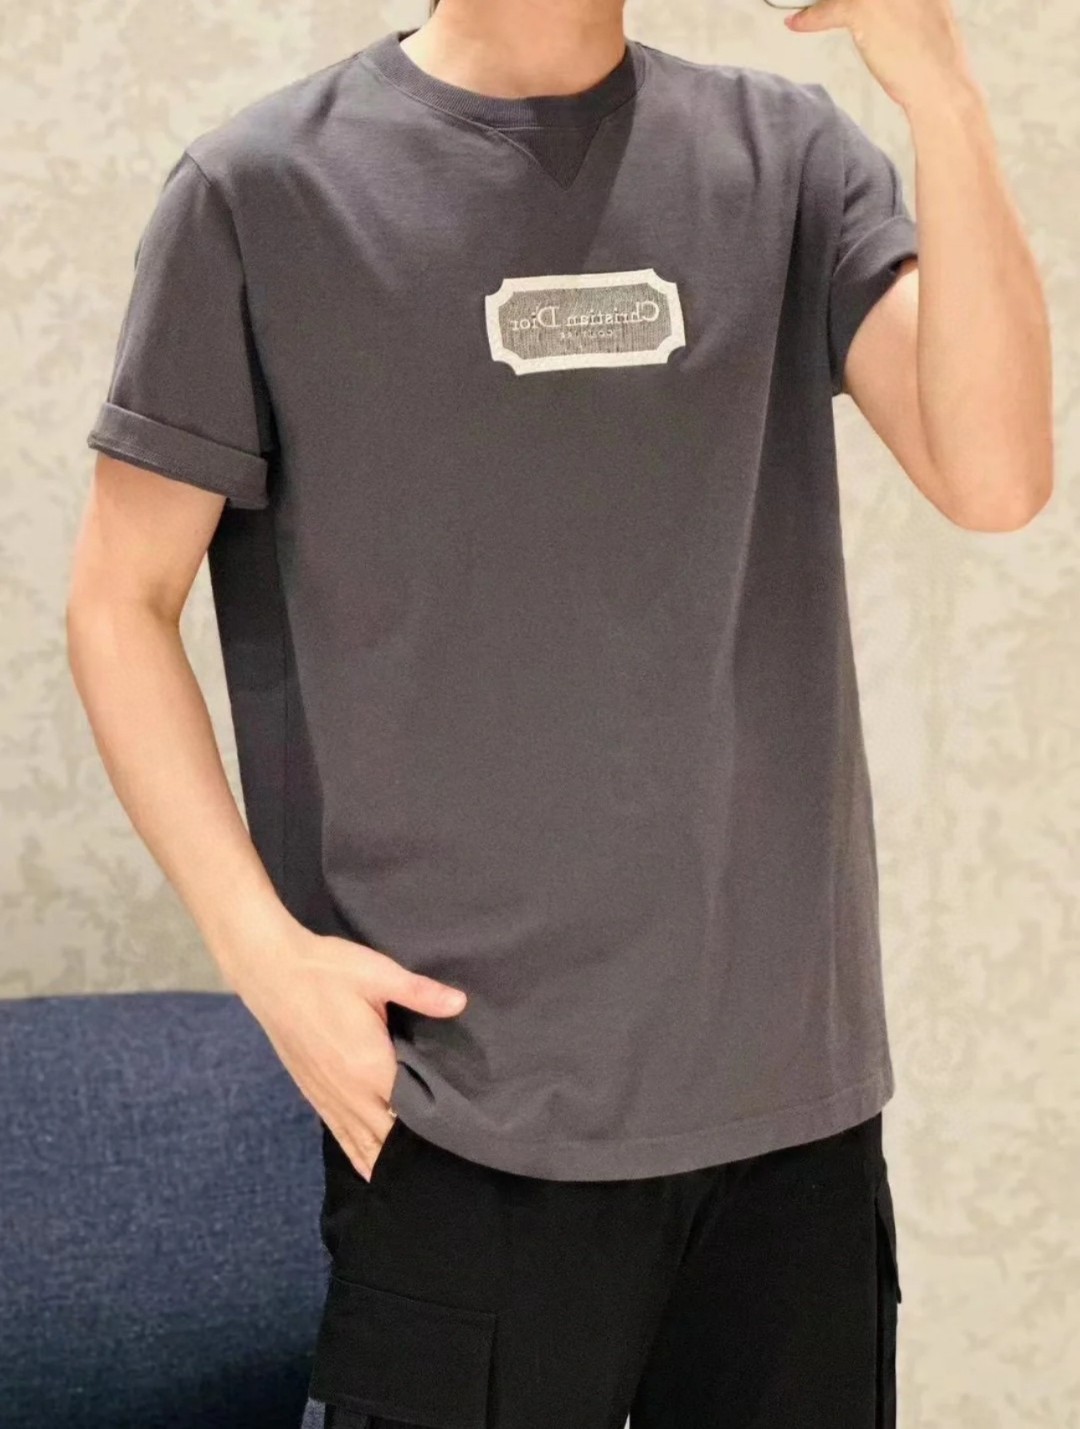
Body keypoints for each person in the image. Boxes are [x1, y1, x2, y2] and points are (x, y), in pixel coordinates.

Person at [67, 0, 1051, 1423]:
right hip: (461, 1116)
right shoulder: (260, 193)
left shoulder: (787, 160)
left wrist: (941, 91)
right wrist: (261, 954)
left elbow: (998, 475)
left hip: (792, 1124)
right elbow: (119, 601)